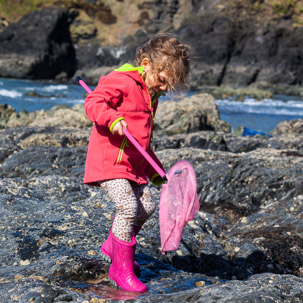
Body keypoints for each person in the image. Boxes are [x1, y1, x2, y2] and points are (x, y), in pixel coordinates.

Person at [83, 33, 191, 292]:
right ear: (145, 65)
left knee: (147, 206)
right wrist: (111, 118)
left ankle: (114, 247)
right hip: (109, 160)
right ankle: (121, 269)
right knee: (128, 206)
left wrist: (156, 172)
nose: (164, 88)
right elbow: (93, 101)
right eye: (163, 80)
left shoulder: (151, 97)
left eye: (169, 85)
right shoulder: (121, 80)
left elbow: (143, 144)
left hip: (132, 165)